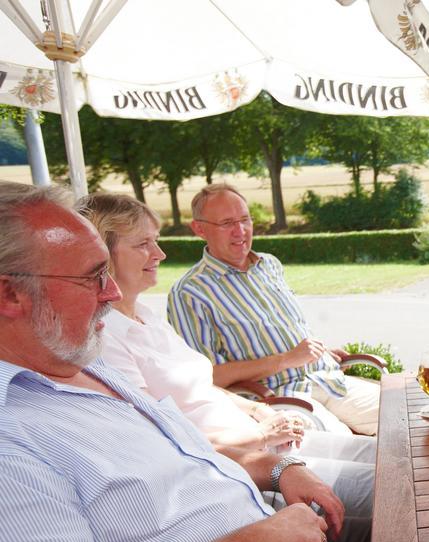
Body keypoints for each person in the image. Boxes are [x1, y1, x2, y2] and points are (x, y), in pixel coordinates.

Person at [0, 181, 429, 542]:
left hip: (261, 538)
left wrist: (280, 467)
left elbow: (185, 452)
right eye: (92, 276)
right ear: (9, 296)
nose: (110, 292)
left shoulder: (79, 365)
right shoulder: (13, 440)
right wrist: (266, 537)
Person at [79, 192, 375, 472]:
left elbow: (203, 386)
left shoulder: (149, 319)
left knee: (388, 453)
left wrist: (260, 413)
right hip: (243, 461)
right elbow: (159, 437)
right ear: (101, 254)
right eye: (143, 244)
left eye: (245, 220)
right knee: (387, 480)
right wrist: (260, 433)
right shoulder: (107, 338)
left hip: (270, 425)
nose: (160, 253)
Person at [167, 183, 379, 435]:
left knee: (407, 415)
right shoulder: (189, 292)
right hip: (278, 398)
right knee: (354, 450)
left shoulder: (269, 265)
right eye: (227, 223)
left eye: (245, 219)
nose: (240, 230)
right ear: (199, 229)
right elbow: (206, 378)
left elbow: (277, 331)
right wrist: (286, 359)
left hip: (327, 379)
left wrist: (317, 352)